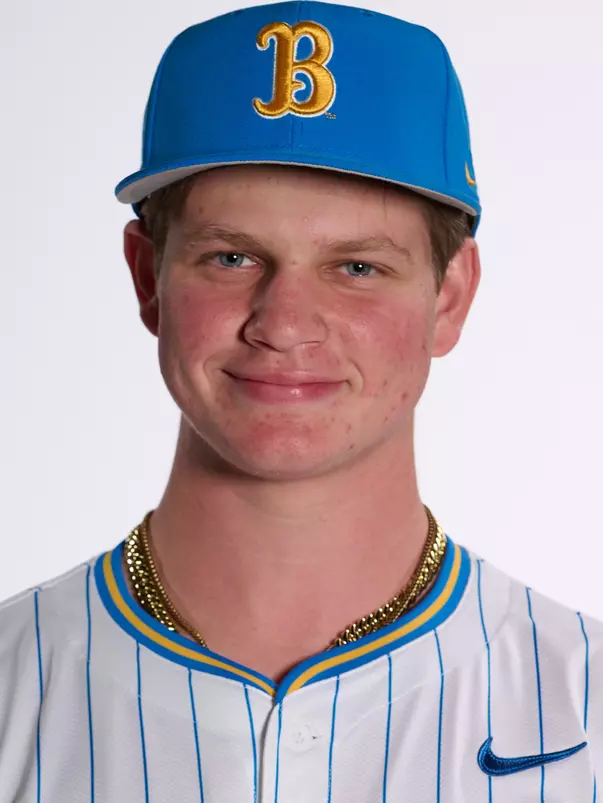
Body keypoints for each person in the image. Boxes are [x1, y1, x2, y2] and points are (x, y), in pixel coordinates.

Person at [0, 1, 600, 800]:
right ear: (148, 278)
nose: (283, 325)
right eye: (231, 256)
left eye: (356, 267)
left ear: (449, 298)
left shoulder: (585, 703)